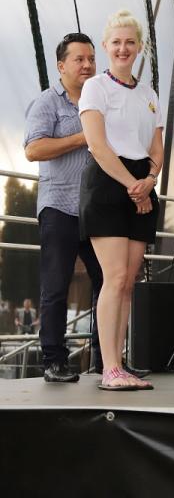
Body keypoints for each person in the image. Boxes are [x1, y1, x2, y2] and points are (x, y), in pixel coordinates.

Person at [79, 10, 164, 390]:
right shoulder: (95, 87)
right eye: (116, 42)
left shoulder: (149, 94)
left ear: (140, 46)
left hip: (141, 184)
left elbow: (156, 149)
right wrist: (133, 185)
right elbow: (97, 145)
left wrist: (148, 181)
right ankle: (109, 367)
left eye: (130, 42)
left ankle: (119, 363)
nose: (123, 48)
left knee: (128, 282)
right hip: (108, 184)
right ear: (105, 46)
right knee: (113, 277)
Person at [23, 32, 104, 383]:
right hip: (58, 207)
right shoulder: (46, 103)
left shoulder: (100, 100)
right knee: (55, 287)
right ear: (61, 66)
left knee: (109, 282)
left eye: (91, 59)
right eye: (79, 59)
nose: (87, 65)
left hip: (97, 209)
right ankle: (54, 362)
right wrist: (83, 137)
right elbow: (33, 150)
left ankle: (106, 360)